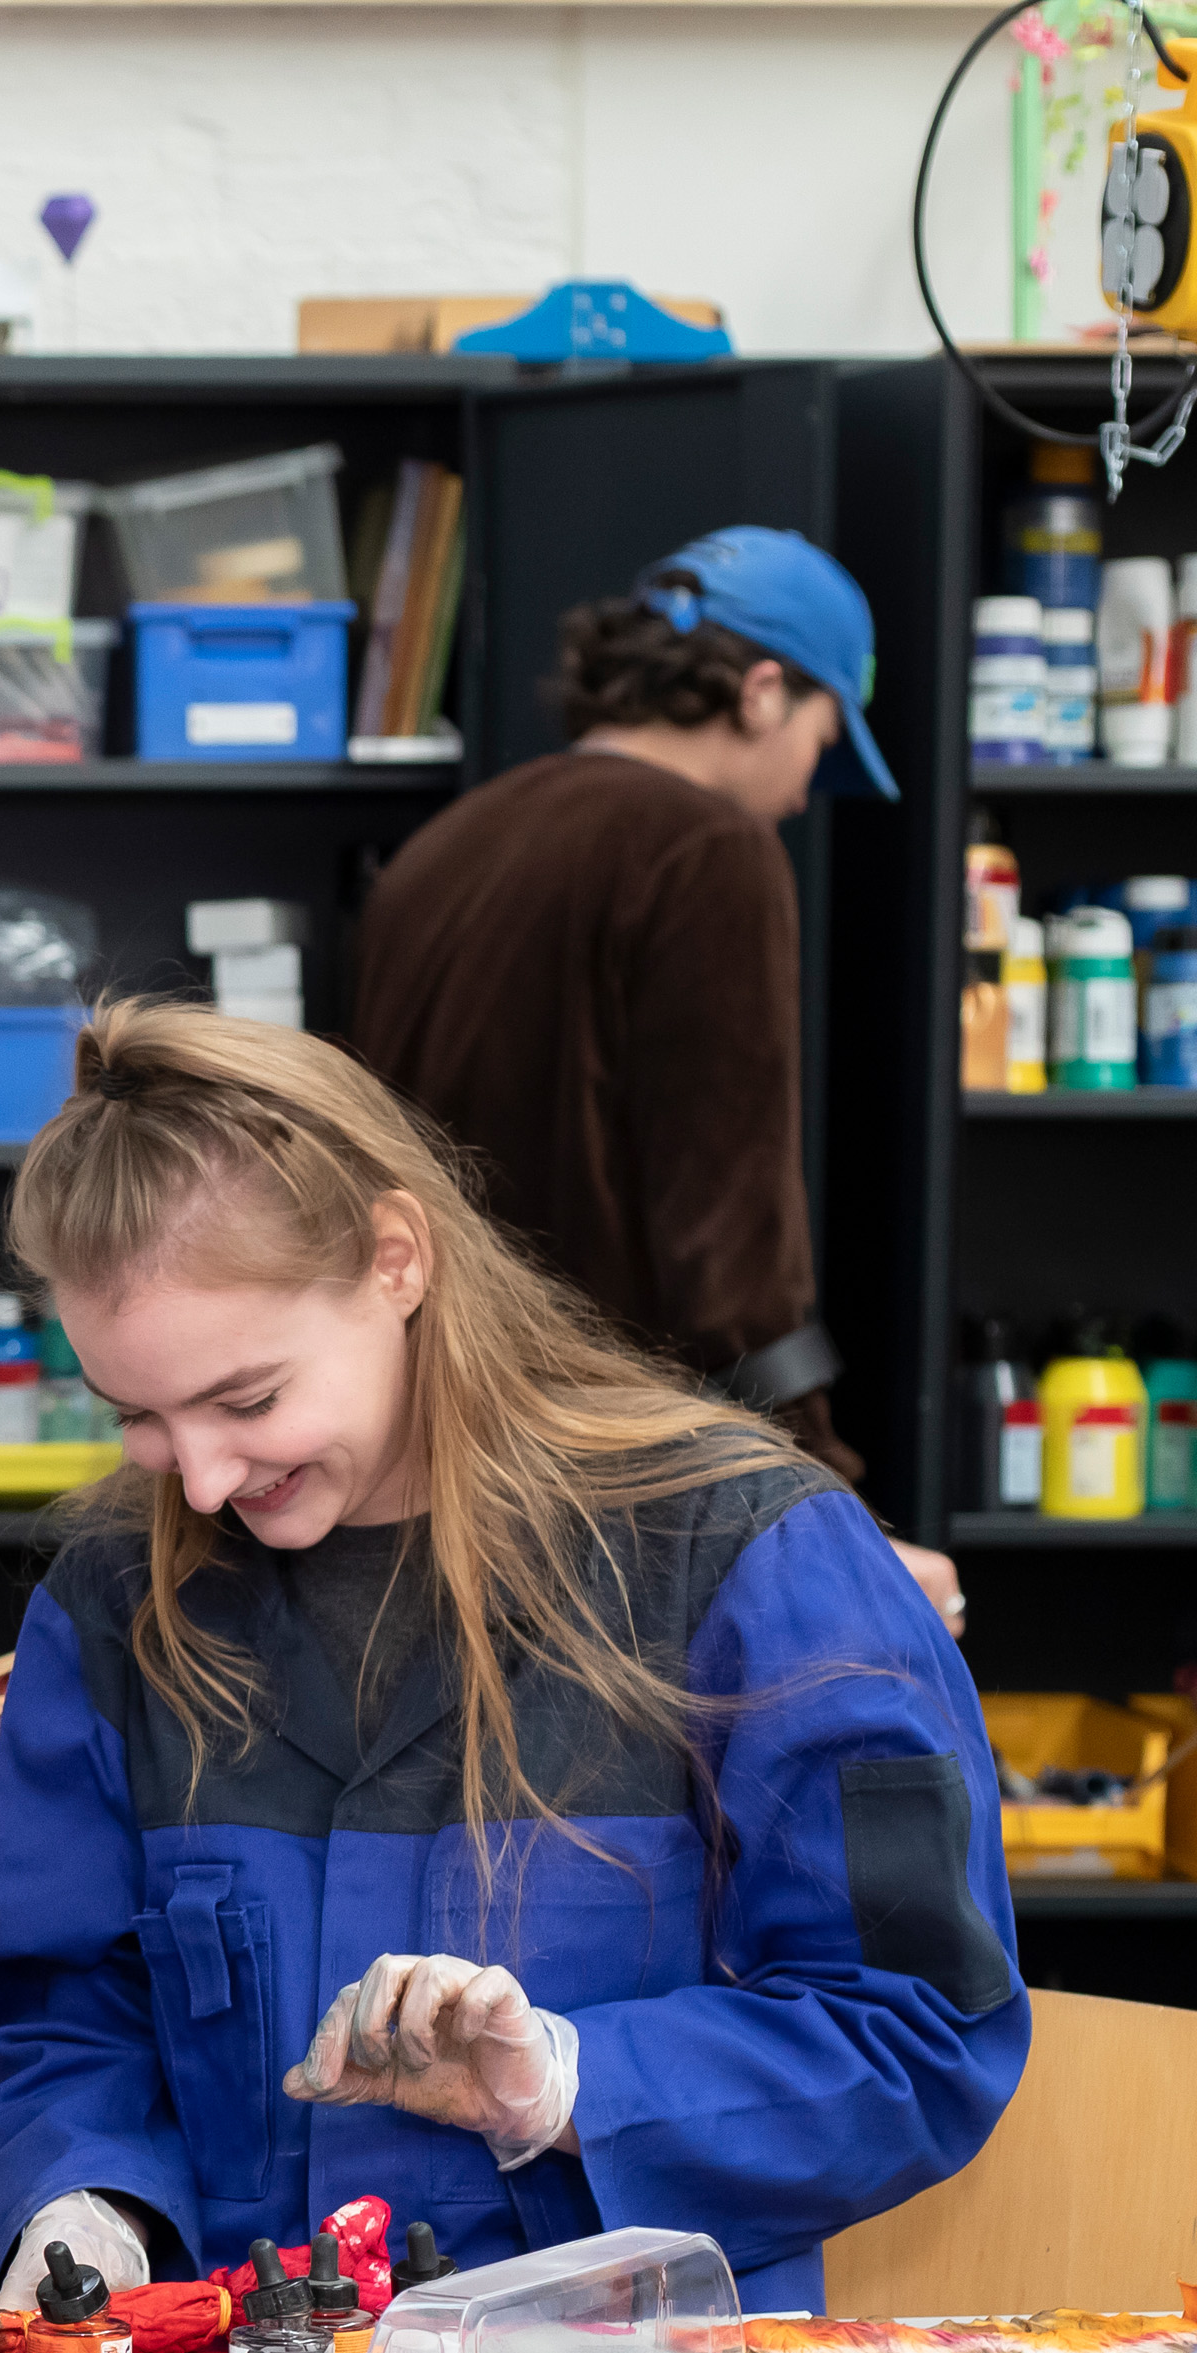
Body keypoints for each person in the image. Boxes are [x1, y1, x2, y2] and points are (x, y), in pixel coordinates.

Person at [0, 998, 1028, 2329]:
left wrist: (574, 2082)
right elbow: (61, 2024)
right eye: (140, 1417)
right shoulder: (118, 1608)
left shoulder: (750, 1558)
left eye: (247, 1400)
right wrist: (87, 2209)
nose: (207, 1476)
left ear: (396, 1258)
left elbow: (923, 2032)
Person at [346, 524, 961, 1631]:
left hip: (422, 1468)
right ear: (762, 693)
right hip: (609, 1492)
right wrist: (826, 1506)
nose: (798, 792)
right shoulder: (706, 849)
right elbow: (727, 1238)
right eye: (822, 743)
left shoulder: (446, 846)